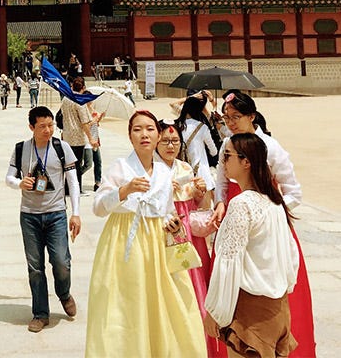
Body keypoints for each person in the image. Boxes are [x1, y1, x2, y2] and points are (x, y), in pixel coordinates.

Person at [85, 110, 206, 357]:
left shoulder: (165, 172)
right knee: (125, 303)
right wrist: (123, 190)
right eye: (137, 129)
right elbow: (98, 207)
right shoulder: (120, 167)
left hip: (158, 245)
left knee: (164, 303)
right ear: (130, 136)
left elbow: (169, 210)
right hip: (124, 242)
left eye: (150, 129)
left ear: (158, 134)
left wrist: (173, 223)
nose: (144, 134)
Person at [211, 90, 315, 358]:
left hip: (265, 218)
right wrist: (221, 202)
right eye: (226, 117)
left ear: (252, 116)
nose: (231, 122)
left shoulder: (271, 147)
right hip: (237, 210)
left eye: (236, 117)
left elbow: (293, 191)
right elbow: (221, 182)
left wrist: (272, 212)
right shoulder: (227, 145)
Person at [204, 134, 299, 357]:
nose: (223, 162)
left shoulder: (242, 204)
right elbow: (290, 256)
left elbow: (228, 262)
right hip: (277, 308)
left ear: (246, 162)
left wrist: (217, 313)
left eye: (227, 156)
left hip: (249, 313)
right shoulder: (274, 201)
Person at [5, 106, 81, 332]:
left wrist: (75, 212)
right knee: (35, 267)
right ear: (31, 127)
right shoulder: (21, 149)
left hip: (56, 213)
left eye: (51, 125)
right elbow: (8, 177)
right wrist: (19, 183)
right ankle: (40, 313)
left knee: (61, 261)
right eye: (42, 127)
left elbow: (73, 182)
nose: (48, 130)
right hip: (29, 215)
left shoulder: (61, 148)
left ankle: (64, 293)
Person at [156, 120, 216, 357]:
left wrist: (201, 192)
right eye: (165, 141)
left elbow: (198, 205)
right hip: (165, 230)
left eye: (175, 141)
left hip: (189, 233)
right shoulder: (151, 170)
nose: (171, 146)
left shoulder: (185, 168)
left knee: (195, 285)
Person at [59, 78, 97, 194]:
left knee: (69, 164)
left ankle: (67, 188)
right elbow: (84, 122)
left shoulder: (66, 99)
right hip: (77, 137)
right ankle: (75, 189)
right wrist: (91, 138)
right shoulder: (80, 100)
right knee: (77, 164)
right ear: (83, 88)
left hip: (67, 135)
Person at [176, 94, 218, 199]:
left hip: (181, 172)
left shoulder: (177, 126)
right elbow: (214, 152)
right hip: (201, 173)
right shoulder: (202, 127)